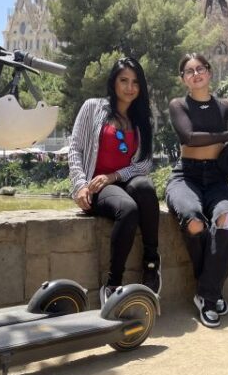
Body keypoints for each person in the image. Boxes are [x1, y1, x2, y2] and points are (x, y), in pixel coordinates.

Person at [166, 53, 228, 327]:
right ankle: (211, 291)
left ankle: (206, 294)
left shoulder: (225, 106)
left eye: (200, 69)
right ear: (183, 79)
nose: (195, 74)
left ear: (209, 73)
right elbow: (189, 138)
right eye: (189, 71)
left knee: (226, 219)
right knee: (194, 222)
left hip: (218, 178)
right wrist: (227, 136)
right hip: (186, 176)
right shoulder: (178, 105)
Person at [68, 57, 161, 304]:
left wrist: (114, 176)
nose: (130, 87)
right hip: (96, 187)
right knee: (128, 209)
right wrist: (79, 185)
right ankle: (112, 285)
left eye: (135, 82)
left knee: (146, 187)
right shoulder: (92, 107)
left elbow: (144, 164)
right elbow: (75, 148)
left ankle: (151, 263)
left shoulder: (143, 119)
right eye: (124, 81)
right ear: (113, 82)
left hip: (120, 181)